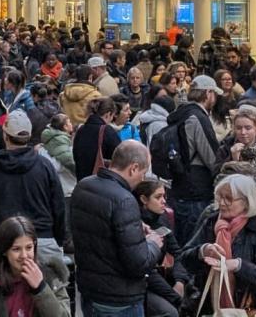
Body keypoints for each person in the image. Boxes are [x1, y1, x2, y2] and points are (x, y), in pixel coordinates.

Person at [72, 141, 161, 316]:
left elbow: (98, 228)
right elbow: (139, 262)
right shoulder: (124, 200)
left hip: (90, 291)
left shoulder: (84, 186)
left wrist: (133, 227)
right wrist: (153, 245)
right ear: (133, 168)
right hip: (119, 298)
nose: (142, 180)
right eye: (143, 174)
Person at [180, 174, 256, 312]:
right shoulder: (211, 223)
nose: (222, 203)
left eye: (228, 199)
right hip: (209, 308)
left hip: (248, 309)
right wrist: (203, 250)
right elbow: (184, 260)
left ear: (246, 201)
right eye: (219, 197)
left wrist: (239, 266)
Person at [0, 110, 66, 261]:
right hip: (42, 240)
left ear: (5, 135)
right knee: (47, 285)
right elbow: (58, 207)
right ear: (29, 136)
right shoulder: (45, 166)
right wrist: (57, 239)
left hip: (4, 242)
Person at [0, 216, 71, 317]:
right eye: (16, 249)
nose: (24, 256)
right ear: (4, 251)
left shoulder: (50, 275)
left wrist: (41, 288)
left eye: (29, 248)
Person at [171, 74, 224, 242]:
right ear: (208, 93)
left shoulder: (180, 112)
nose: (215, 99)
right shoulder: (198, 117)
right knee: (193, 245)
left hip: (180, 187)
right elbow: (212, 158)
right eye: (214, 94)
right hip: (196, 191)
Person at [134, 180, 188, 317]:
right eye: (158, 197)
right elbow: (146, 269)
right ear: (144, 199)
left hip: (158, 278)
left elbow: (177, 252)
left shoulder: (162, 218)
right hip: (141, 285)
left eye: (164, 196)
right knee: (169, 312)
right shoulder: (135, 223)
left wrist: (180, 281)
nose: (163, 201)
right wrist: (174, 296)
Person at [72, 97, 122, 180]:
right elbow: (120, 157)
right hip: (101, 182)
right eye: (112, 116)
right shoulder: (107, 131)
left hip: (82, 182)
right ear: (108, 114)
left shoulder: (81, 130)